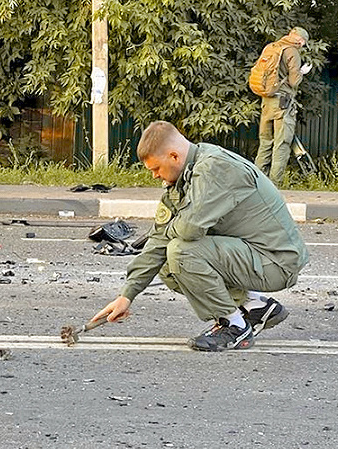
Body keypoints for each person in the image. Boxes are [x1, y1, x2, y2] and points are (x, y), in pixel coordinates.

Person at [92, 121, 309, 351]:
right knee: (166, 260)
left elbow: (188, 229)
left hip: (276, 261)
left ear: (174, 156)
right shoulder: (184, 177)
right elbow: (158, 239)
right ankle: (254, 306)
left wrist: (169, 231)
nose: (155, 176)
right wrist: (127, 295)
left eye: (156, 169)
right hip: (252, 255)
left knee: (181, 251)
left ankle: (234, 326)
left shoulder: (214, 169)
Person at [253, 27, 312, 185]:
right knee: (282, 144)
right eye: (303, 43)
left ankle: (258, 183)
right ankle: (274, 185)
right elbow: (294, 81)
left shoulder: (271, 47)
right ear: (300, 41)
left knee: (265, 142)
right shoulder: (292, 52)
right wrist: (301, 72)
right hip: (283, 103)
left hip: (267, 101)